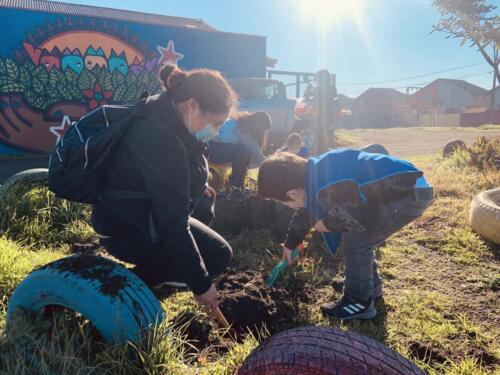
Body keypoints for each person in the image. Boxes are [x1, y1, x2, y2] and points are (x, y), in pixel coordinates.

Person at [91, 65, 237, 319]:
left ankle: (161, 268)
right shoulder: (161, 140)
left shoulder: (163, 112)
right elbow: (173, 225)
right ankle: (129, 285)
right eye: (215, 123)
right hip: (123, 229)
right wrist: (203, 286)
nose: (214, 131)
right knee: (217, 256)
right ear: (192, 105)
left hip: (133, 210)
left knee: (203, 205)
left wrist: (198, 187)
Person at [257, 149, 433, 320]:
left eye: (283, 202)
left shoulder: (326, 187)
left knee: (357, 243)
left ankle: (358, 302)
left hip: (408, 194)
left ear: (292, 193)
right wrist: (290, 244)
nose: (287, 206)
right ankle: (367, 285)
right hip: (406, 186)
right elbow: (307, 213)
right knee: (356, 239)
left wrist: (327, 224)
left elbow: (360, 219)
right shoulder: (314, 175)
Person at [196, 111, 271, 191]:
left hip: (214, 149)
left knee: (243, 151)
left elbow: (254, 150)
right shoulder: (242, 129)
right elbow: (255, 150)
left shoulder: (240, 123)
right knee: (243, 150)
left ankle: (238, 184)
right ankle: (235, 185)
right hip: (211, 150)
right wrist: (268, 164)